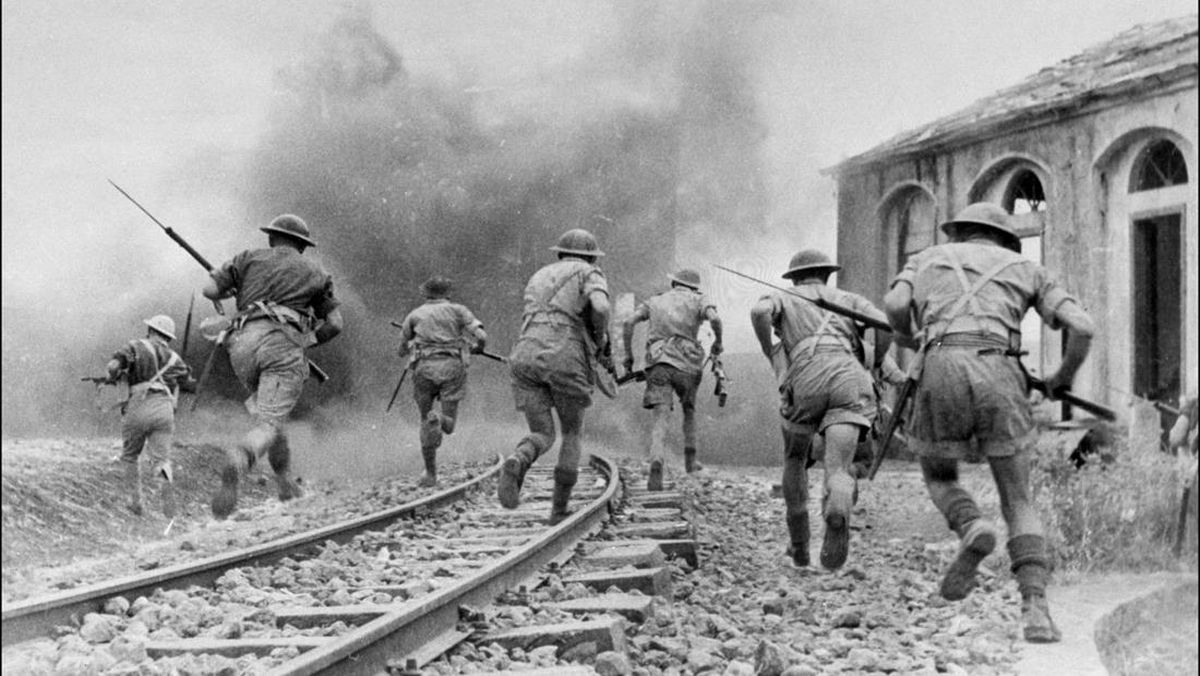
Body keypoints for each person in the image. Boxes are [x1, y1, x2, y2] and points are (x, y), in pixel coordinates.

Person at [883, 202, 1095, 643]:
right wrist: (1061, 377)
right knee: (1018, 499)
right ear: (1005, 239)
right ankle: (1035, 609)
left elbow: (895, 303)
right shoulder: (1026, 267)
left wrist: (906, 334)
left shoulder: (926, 258)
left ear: (959, 233)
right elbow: (1083, 327)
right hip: (1000, 368)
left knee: (940, 477)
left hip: (939, 366)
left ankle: (971, 525)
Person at [750, 250, 889, 571]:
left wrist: (769, 350)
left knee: (796, 458)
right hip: (849, 377)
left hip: (806, 376)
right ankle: (838, 505)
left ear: (794, 278)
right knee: (839, 467)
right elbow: (884, 325)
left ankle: (799, 546)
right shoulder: (849, 299)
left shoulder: (784, 296)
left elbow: (759, 312)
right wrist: (877, 361)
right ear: (826, 275)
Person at [202, 214, 343, 519]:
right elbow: (335, 324)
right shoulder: (316, 272)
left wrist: (229, 289)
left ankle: (285, 484)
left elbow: (210, 291)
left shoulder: (247, 258)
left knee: (272, 416)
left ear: (270, 238)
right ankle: (240, 457)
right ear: (302, 246)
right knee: (269, 424)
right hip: (281, 347)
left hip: (241, 346)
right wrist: (305, 342)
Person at [498, 228, 611, 524]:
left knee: (543, 433)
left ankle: (519, 458)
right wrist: (600, 340)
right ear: (591, 257)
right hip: (565, 352)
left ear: (560, 252)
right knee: (571, 433)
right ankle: (558, 511)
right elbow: (601, 307)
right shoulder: (589, 273)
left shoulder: (539, 275)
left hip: (525, 352)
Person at [621, 268, 723, 489]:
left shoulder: (655, 301)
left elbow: (628, 322)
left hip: (658, 362)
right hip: (688, 363)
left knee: (660, 417)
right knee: (689, 410)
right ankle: (690, 462)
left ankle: (657, 459)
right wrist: (718, 343)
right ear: (694, 287)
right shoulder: (699, 300)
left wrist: (628, 356)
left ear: (674, 284)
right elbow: (715, 319)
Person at [396, 276, 488, 487]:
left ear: (425, 293)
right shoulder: (459, 311)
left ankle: (430, 474)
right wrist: (477, 349)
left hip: (424, 369)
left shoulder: (414, 315)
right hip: (452, 368)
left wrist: (413, 344)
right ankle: (439, 417)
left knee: (425, 421)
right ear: (448, 293)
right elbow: (482, 336)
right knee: (449, 425)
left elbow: (401, 350)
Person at [105, 314, 194, 518]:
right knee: (161, 460)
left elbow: (113, 367)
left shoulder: (135, 346)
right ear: (168, 337)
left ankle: (135, 502)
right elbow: (188, 383)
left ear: (151, 330)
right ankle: (167, 497)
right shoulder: (175, 358)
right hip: (164, 411)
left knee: (130, 456)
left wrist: (113, 377)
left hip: (138, 406)